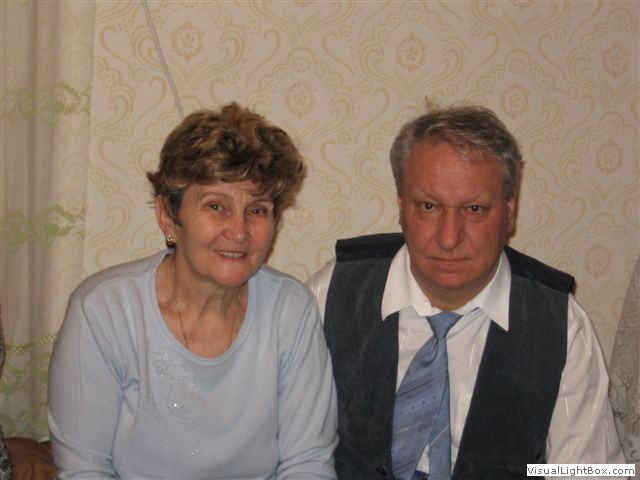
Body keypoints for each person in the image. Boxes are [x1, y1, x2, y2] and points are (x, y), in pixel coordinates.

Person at [307, 104, 625, 479]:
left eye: (474, 209)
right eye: (429, 206)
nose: (449, 238)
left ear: (510, 212)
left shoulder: (561, 327)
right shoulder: (331, 294)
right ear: (401, 207)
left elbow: (588, 471)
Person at [48, 103, 338, 479]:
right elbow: (84, 469)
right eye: (216, 206)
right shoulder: (104, 311)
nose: (239, 232)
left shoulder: (291, 311)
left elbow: (308, 463)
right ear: (168, 216)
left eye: (257, 210)